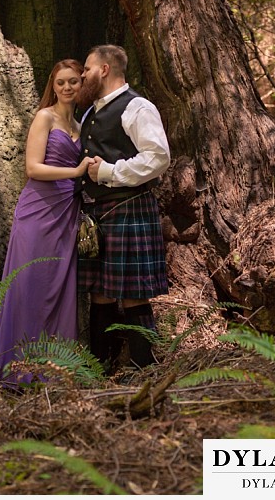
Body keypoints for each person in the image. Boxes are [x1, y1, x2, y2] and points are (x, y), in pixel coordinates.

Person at [0, 59, 92, 385]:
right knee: (29, 284)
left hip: (66, 213)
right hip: (38, 212)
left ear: (81, 84)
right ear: (52, 87)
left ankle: (53, 365)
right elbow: (32, 168)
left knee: (58, 286)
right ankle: (13, 362)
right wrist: (75, 171)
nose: (68, 88)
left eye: (73, 82)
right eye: (61, 83)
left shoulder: (82, 126)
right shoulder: (45, 117)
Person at [76, 44, 170, 370]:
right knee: (99, 293)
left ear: (104, 69)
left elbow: (158, 158)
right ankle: (100, 371)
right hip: (97, 214)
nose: (82, 75)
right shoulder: (91, 112)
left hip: (129, 208)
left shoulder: (137, 107)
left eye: (87, 68)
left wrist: (110, 173)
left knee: (133, 294)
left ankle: (145, 368)